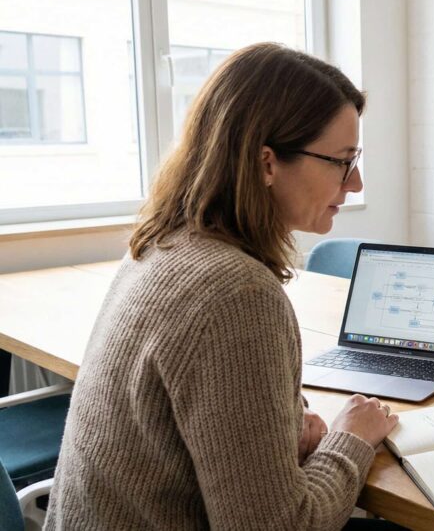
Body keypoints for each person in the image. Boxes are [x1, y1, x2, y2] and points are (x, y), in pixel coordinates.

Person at [45, 43, 402, 529]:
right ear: (267, 162)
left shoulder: (161, 244)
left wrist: (281, 426)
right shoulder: (237, 296)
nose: (355, 182)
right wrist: (352, 437)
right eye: (342, 161)